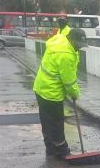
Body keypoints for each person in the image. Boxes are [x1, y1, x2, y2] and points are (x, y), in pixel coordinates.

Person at [33, 28, 87, 159]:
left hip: (40, 87)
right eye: (78, 44)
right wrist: (75, 93)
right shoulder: (65, 55)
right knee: (56, 122)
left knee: (46, 120)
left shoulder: (60, 40)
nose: (79, 47)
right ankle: (61, 150)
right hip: (52, 92)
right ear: (72, 40)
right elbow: (68, 81)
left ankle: (50, 148)